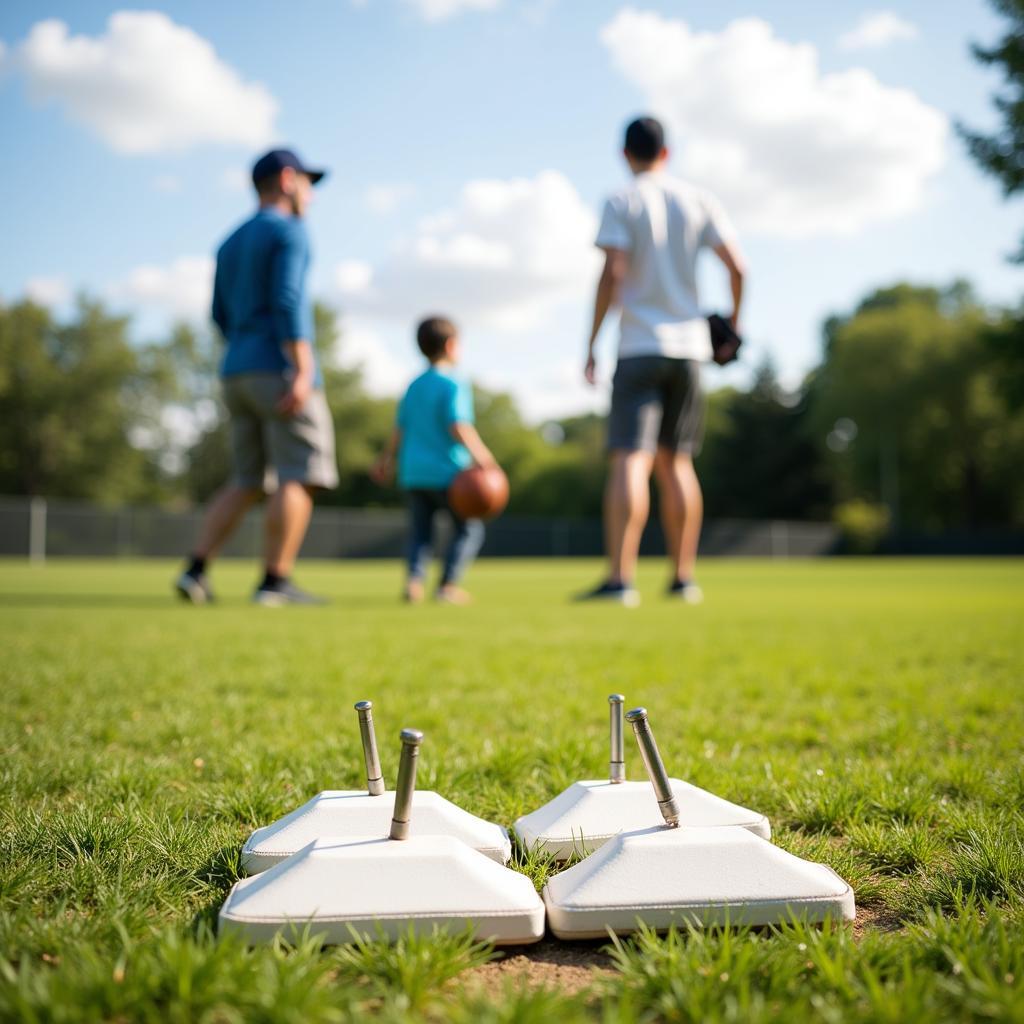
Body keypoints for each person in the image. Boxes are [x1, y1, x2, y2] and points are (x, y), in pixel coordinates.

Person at [579, 116, 746, 606]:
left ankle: (620, 580)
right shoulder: (699, 199)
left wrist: (591, 342)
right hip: (690, 350)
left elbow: (613, 272)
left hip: (637, 346)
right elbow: (738, 267)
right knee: (678, 464)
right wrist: (732, 329)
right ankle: (682, 579)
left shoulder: (621, 199)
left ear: (624, 154)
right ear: (667, 152)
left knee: (632, 458)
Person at [174, 148, 338, 607]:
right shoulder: (290, 230)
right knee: (298, 475)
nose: (311, 194)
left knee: (247, 479)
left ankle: (196, 570)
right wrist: (301, 366)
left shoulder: (230, 241)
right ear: (287, 179)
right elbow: (288, 300)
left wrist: (246, 345)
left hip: (236, 369)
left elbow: (218, 314)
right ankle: (274, 582)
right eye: (307, 182)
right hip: (280, 368)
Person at [372, 316, 497, 604]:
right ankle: (447, 585)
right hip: (448, 474)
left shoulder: (414, 385)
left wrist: (386, 460)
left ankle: (414, 583)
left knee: (420, 534)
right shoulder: (452, 384)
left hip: (413, 472)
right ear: (452, 345)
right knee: (468, 529)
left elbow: (399, 429)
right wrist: (484, 459)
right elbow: (458, 425)